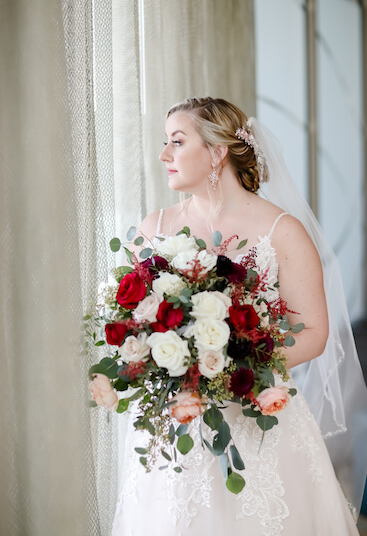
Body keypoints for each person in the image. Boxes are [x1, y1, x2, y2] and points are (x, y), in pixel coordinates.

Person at [112, 97, 366, 535]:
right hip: (179, 424)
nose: (163, 155)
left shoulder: (281, 230)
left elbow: (316, 333)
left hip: (259, 421)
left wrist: (234, 370)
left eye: (176, 141)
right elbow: (131, 321)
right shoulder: (153, 228)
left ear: (216, 152)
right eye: (165, 143)